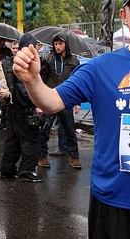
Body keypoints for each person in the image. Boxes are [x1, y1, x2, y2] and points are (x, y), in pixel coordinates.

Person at [13, 0, 130, 239]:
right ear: (124, 15)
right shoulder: (100, 68)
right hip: (113, 205)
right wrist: (32, 80)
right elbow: (52, 101)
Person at [0, 33, 45, 182]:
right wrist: (37, 103)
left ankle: (7, 168)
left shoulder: (12, 61)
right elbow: (25, 88)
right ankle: (26, 170)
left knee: (13, 140)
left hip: (13, 108)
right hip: (24, 109)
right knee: (31, 140)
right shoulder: (24, 63)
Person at [37, 32, 82, 169]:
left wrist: (77, 102)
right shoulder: (49, 60)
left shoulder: (74, 61)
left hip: (66, 100)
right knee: (45, 130)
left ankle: (73, 157)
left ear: (66, 45)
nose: (57, 46)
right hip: (50, 99)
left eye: (60, 44)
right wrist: (40, 102)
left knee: (69, 130)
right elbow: (42, 80)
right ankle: (42, 156)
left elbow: (78, 82)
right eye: (55, 44)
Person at [0, 37, 12, 130]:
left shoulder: (7, 51)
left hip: (3, 78)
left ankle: (3, 122)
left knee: (3, 101)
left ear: (2, 41)